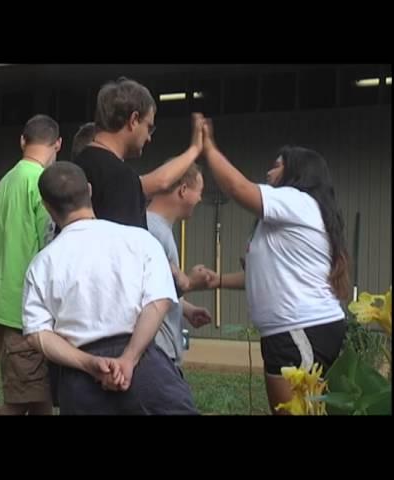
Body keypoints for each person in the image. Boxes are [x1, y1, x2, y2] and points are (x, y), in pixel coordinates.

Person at [198, 119, 349, 414]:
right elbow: (264, 277)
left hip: (300, 329)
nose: (269, 172)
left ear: (296, 174)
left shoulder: (297, 201)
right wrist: (218, 280)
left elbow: (236, 187)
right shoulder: (288, 217)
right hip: (295, 330)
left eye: (277, 165)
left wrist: (207, 147)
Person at [22, 162, 198, 415]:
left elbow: (37, 334)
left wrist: (89, 364)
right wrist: (129, 359)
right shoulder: (139, 240)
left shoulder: (41, 264)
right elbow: (158, 302)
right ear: (90, 191)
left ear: (48, 207)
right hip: (146, 369)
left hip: (79, 379)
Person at [0, 114, 62, 415]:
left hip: (1, 300)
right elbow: (49, 242)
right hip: (24, 307)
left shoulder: (5, 182)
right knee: (22, 399)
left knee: (30, 391)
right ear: (58, 144)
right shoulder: (41, 183)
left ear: (22, 141)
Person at [73, 76, 203, 229]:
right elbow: (128, 248)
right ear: (134, 119)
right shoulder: (120, 178)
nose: (149, 138)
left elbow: (160, 181)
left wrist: (194, 149)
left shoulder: (78, 165)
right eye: (149, 127)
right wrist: (195, 148)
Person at [145, 163, 213, 367]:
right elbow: (145, 293)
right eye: (199, 192)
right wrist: (190, 282)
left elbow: (159, 287)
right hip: (157, 350)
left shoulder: (158, 228)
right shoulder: (153, 230)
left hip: (163, 349)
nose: (200, 199)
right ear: (183, 190)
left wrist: (187, 309)